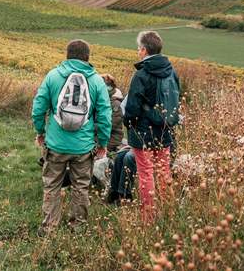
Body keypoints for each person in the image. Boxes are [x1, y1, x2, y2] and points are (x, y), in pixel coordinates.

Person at [31, 39, 112, 235]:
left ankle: (49, 227)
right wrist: (102, 142)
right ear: (87, 57)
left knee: (52, 185)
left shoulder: (53, 76)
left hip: (56, 145)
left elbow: (38, 107)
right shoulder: (96, 81)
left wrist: (40, 131)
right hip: (83, 147)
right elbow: (104, 115)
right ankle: (78, 226)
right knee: (81, 187)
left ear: (67, 55)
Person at [123, 31, 181, 223]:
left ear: (145, 50)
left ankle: (148, 218)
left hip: (143, 133)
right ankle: (169, 212)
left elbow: (132, 106)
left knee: (146, 174)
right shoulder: (172, 71)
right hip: (165, 130)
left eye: (139, 48)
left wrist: (128, 124)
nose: (138, 52)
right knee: (164, 172)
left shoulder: (142, 73)